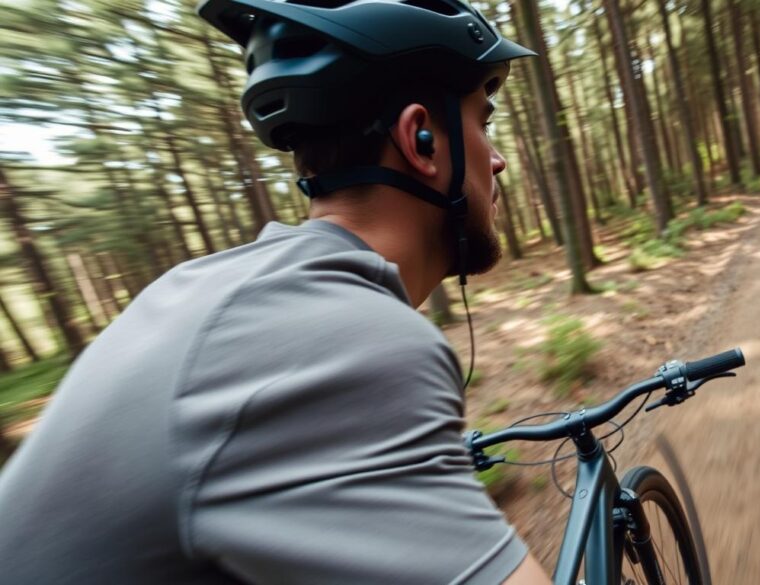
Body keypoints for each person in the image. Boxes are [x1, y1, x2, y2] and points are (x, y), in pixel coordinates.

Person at [0, 0, 551, 582]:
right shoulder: (348, 338)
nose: (500, 161)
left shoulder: (198, 288)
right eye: (483, 125)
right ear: (421, 140)